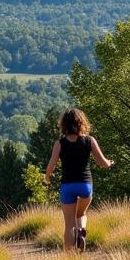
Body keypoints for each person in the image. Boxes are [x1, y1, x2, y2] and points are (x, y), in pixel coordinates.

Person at [44, 108, 114, 252]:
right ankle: (81, 230)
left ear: (64, 124)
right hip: (85, 186)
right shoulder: (89, 140)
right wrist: (110, 163)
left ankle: (70, 258)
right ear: (81, 122)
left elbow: (51, 166)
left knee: (69, 225)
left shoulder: (60, 143)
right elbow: (103, 163)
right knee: (81, 214)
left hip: (67, 186)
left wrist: (47, 179)